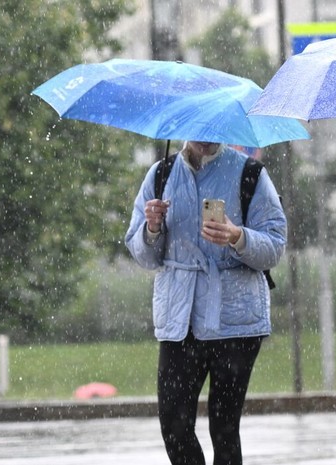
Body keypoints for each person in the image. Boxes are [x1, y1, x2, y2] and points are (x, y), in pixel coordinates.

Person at [125, 140, 287, 465]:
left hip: (236, 321)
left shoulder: (249, 173)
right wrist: (152, 228)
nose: (204, 135)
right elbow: (142, 252)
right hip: (179, 319)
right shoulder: (161, 174)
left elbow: (274, 245)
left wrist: (238, 237)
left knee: (224, 427)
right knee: (174, 423)